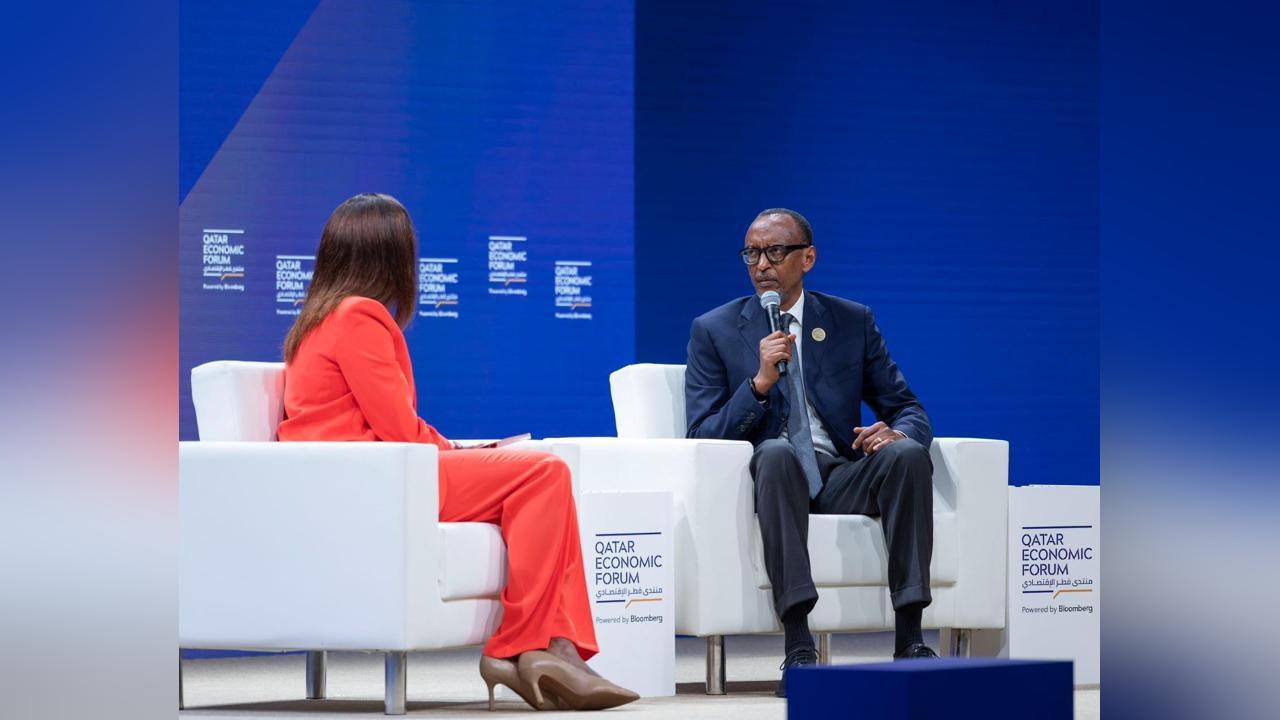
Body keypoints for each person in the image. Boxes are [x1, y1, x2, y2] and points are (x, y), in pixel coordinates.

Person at [277, 193, 638, 712]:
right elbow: (399, 430)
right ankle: (528, 646)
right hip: (380, 480)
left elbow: (379, 421)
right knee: (543, 472)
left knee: (537, 486)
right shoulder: (359, 316)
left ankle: (554, 647)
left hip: (357, 477)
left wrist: (456, 450)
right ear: (392, 256)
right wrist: (452, 450)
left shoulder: (317, 320)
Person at [684, 208, 938, 698]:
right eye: (752, 254)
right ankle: (799, 648)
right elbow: (701, 433)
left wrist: (895, 433)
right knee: (776, 454)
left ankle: (910, 640)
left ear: (808, 258)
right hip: (771, 480)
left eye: (775, 252)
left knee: (906, 456)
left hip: (839, 473)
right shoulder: (714, 329)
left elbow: (908, 408)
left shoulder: (850, 320)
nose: (762, 265)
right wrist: (758, 385)